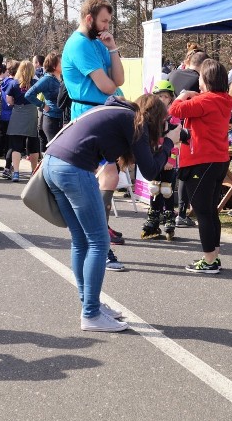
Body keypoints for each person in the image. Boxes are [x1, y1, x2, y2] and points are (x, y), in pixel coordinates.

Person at [44, 95, 181, 332]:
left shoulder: (118, 113)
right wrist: (169, 142)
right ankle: (91, 314)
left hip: (52, 164)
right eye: (163, 120)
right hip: (74, 168)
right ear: (155, 118)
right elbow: (149, 171)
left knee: (81, 240)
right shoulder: (133, 121)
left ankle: (91, 304)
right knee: (99, 241)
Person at [61, 0, 127, 269]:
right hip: (90, 117)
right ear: (89, 19)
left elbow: (120, 80)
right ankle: (98, 240)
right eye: (103, 21)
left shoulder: (98, 42)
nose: (107, 26)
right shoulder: (79, 44)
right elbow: (108, 86)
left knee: (109, 175)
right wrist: (112, 83)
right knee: (100, 179)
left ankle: (99, 237)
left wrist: (112, 49)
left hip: (105, 115)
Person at [168, 59, 232, 273]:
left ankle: (208, 260)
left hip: (201, 161)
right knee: (211, 211)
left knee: (203, 213)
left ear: (207, 80)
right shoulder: (224, 100)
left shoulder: (205, 101)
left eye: (201, 79)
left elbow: (175, 110)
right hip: (219, 160)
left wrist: (182, 96)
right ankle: (213, 255)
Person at [167, 50, 208, 229]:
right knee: (184, 171)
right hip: (186, 130)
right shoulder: (198, 82)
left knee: (166, 170)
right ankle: (182, 212)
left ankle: (165, 211)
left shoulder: (172, 74)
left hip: (167, 127)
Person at [141, 80, 180, 240]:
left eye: (166, 96)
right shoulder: (151, 116)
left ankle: (169, 219)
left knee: (166, 189)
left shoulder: (174, 117)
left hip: (168, 159)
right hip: (155, 157)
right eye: (160, 96)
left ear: (171, 98)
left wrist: (171, 159)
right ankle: (153, 219)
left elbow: (177, 140)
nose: (163, 99)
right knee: (154, 189)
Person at [3, 60, 39, 182]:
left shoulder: (13, 83)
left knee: (16, 145)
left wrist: (15, 104)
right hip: (32, 113)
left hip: (18, 112)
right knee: (33, 144)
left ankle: (16, 172)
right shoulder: (35, 83)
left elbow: (8, 100)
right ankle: (33, 172)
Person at [26, 53, 63, 146]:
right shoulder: (46, 79)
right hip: (51, 118)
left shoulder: (62, 78)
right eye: (61, 63)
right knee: (55, 148)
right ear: (54, 66)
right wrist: (43, 105)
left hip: (62, 118)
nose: (64, 64)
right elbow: (29, 94)